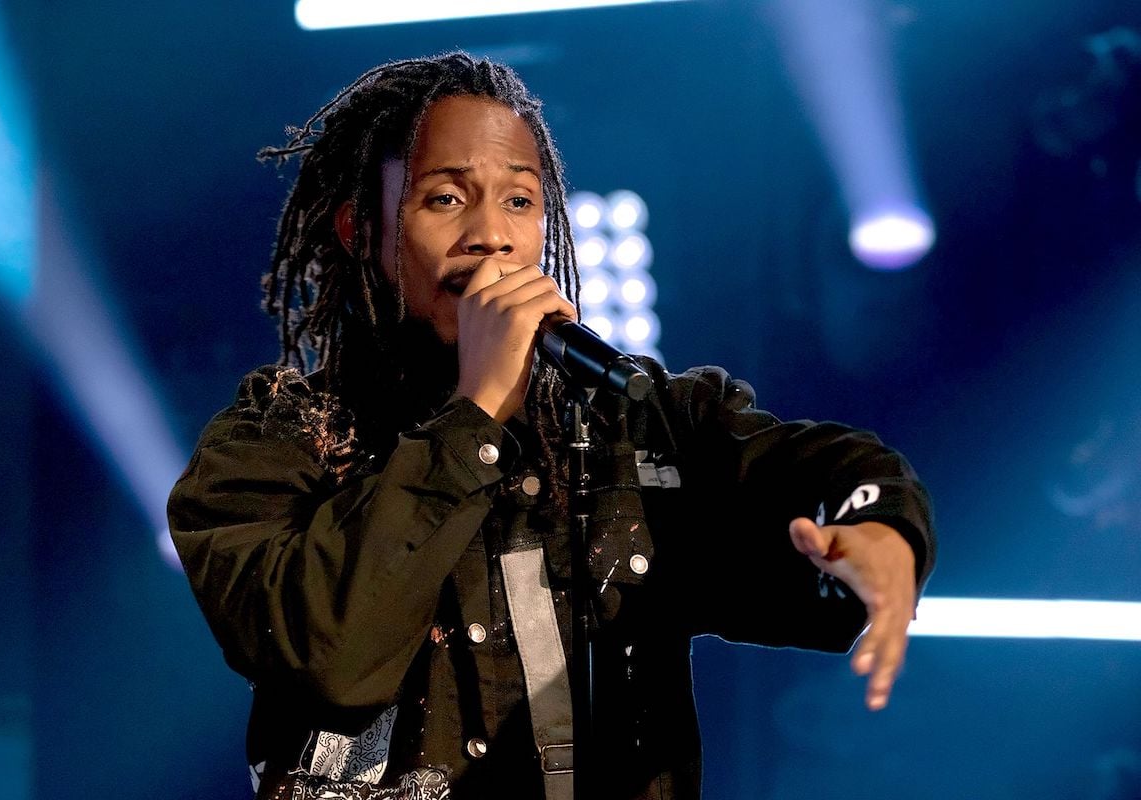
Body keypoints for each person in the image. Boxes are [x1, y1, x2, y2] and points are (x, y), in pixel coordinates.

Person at [167, 51, 936, 800]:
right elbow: (331, 655)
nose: (491, 235)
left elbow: (822, 466)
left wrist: (881, 533)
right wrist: (475, 415)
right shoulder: (274, 447)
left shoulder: (628, 424)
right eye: (446, 199)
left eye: (519, 201)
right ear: (360, 229)